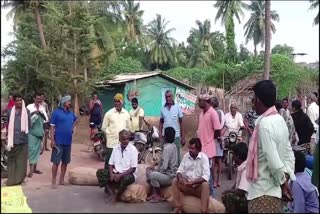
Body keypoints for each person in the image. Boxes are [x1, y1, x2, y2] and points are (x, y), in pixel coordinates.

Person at [246, 80, 295, 213]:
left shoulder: (265, 124)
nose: (253, 102)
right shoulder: (279, 120)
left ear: (259, 100)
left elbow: (273, 162)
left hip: (262, 193)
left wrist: (283, 183)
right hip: (274, 193)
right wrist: (287, 176)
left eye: (254, 99)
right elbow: (289, 154)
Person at [96, 129, 138, 204]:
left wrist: (120, 175)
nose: (125, 141)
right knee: (100, 173)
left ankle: (115, 196)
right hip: (116, 172)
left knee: (126, 178)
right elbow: (110, 163)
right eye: (123, 139)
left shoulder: (133, 150)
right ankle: (111, 193)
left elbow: (133, 169)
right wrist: (112, 174)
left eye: (127, 139)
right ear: (119, 139)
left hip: (128, 174)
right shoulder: (115, 148)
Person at [171, 138, 210, 213]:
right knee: (174, 181)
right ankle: (178, 207)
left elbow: (206, 176)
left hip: (197, 188)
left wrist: (194, 182)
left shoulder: (204, 158)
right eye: (189, 148)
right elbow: (179, 170)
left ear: (199, 149)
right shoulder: (186, 156)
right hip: (186, 185)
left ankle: (204, 210)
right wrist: (180, 177)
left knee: (205, 185)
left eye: (192, 148)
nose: (190, 150)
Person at [50, 95, 78, 189]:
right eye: (68, 102)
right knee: (56, 162)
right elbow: (52, 126)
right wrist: (52, 140)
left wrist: (71, 127)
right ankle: (53, 181)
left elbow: (76, 119)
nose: (70, 103)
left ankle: (61, 180)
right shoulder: (56, 113)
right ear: (63, 103)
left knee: (65, 162)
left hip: (68, 142)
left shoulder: (71, 113)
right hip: (58, 142)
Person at [146, 127, 179, 203]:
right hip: (170, 173)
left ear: (165, 137)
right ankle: (154, 193)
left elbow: (164, 166)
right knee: (150, 171)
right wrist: (156, 164)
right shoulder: (173, 145)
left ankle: (159, 195)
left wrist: (156, 170)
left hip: (169, 175)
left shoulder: (167, 148)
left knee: (152, 175)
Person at [197, 94, 221, 197]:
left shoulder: (213, 113)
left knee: (208, 174)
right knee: (203, 173)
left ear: (205, 101)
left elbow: (218, 130)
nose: (198, 103)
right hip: (201, 148)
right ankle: (206, 195)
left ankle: (211, 196)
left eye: (200, 101)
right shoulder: (202, 113)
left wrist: (210, 139)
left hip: (208, 148)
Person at [5, 94, 31, 186]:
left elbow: (29, 126)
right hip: (12, 140)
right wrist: (8, 137)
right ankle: (11, 179)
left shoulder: (26, 112)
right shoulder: (9, 111)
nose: (19, 102)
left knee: (22, 160)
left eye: (21, 100)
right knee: (11, 160)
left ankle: (20, 179)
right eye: (17, 100)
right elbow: (8, 125)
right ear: (14, 101)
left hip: (23, 140)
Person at [101, 93, 131, 164]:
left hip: (121, 144)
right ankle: (107, 175)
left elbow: (128, 128)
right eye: (115, 101)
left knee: (119, 163)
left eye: (118, 101)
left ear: (122, 102)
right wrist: (109, 134)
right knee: (109, 163)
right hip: (111, 143)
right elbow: (104, 128)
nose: (117, 103)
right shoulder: (109, 113)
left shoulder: (126, 114)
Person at [222, 142, 249, 213]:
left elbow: (241, 191)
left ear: (238, 156)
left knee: (229, 196)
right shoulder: (243, 166)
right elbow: (237, 185)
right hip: (246, 198)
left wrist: (227, 191)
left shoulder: (246, 169)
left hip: (248, 200)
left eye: (233, 154)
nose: (233, 156)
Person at [159, 90, 185, 164]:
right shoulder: (162, 108)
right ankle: (165, 172)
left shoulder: (177, 107)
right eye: (166, 97)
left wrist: (183, 137)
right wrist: (160, 133)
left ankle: (178, 173)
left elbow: (181, 122)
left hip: (176, 136)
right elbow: (161, 122)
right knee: (165, 155)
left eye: (169, 96)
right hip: (165, 137)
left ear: (172, 97)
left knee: (177, 156)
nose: (168, 98)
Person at [26, 92, 48, 178]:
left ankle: (35, 168)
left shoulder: (42, 107)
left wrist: (45, 130)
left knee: (38, 151)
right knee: (32, 150)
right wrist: (34, 113)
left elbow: (46, 119)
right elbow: (26, 118)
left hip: (40, 131)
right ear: (34, 99)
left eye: (40, 99)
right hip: (31, 132)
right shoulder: (29, 107)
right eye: (37, 98)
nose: (39, 100)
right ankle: (31, 170)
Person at [211, 97, 225, 189]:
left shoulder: (214, 112)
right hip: (219, 138)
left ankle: (215, 181)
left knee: (213, 161)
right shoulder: (220, 112)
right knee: (218, 161)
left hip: (214, 138)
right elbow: (224, 125)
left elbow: (217, 127)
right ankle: (217, 181)